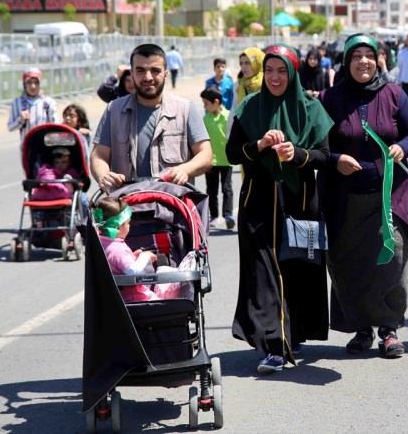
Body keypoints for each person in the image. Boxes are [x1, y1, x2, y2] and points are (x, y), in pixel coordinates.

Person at [225, 44, 334, 374]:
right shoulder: (249, 108)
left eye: (281, 71)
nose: (274, 77)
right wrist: (258, 146)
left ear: (293, 73)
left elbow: (324, 156)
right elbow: (231, 154)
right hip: (257, 204)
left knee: (297, 271)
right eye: (269, 70)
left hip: (299, 203)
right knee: (263, 274)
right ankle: (274, 345)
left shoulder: (311, 108)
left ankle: (293, 333)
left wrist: (296, 154)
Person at [319, 34, 408, 359]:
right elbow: (318, 144)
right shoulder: (330, 98)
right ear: (346, 62)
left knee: (392, 258)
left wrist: (401, 147)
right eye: (356, 56)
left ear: (378, 59)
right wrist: (336, 159)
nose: (363, 62)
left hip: (389, 194)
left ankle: (389, 328)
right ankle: (361, 328)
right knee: (348, 264)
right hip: (345, 197)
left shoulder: (394, 94)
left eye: (369, 55)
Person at [90, 43, 212, 193]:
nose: (148, 77)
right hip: (126, 208)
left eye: (155, 70)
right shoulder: (113, 110)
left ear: (166, 73)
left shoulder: (186, 109)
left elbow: (205, 154)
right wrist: (104, 176)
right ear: (132, 73)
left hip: (174, 206)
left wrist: (184, 170)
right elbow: (99, 155)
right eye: (140, 70)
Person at [201, 85, 234, 230]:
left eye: (206, 104)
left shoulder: (228, 117)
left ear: (216, 102)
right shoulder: (205, 119)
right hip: (211, 161)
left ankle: (228, 215)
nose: (204, 106)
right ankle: (214, 215)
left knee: (227, 189)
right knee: (212, 190)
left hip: (226, 160)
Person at [7, 67, 58, 140]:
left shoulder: (48, 103)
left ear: (40, 84)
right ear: (24, 84)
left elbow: (56, 125)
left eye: (36, 82)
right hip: (27, 148)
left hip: (45, 146)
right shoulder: (17, 103)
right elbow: (10, 127)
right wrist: (21, 120)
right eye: (29, 82)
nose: (33, 86)